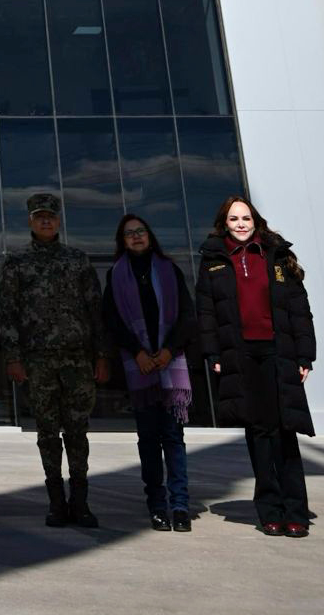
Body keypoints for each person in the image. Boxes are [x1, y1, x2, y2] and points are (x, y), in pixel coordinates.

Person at [197, 194, 316, 537]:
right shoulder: (214, 260)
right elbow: (206, 312)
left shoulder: (277, 255)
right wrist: (214, 354)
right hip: (241, 356)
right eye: (234, 219)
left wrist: (304, 356)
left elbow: (299, 310)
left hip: (279, 353)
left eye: (246, 218)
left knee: (284, 431)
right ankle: (270, 511)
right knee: (258, 434)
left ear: (255, 221)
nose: (240, 225)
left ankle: (295, 512)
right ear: (225, 224)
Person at [0, 192, 109, 528]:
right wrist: (13, 358)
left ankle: (81, 502)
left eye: (50, 216)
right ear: (30, 221)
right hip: (38, 362)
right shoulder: (17, 263)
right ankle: (56, 503)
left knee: (78, 432)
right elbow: (8, 314)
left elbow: (96, 311)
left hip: (77, 361)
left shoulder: (78, 260)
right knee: (47, 434)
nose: (45, 221)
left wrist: (101, 355)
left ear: (58, 221)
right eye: (39, 216)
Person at [103, 212, 196, 531]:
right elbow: (112, 321)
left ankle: (180, 504)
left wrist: (168, 350)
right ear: (122, 241)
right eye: (129, 233)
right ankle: (157, 505)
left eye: (141, 231)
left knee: (173, 437)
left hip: (171, 365)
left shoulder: (170, 270)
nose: (136, 236)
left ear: (150, 235)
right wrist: (139, 353)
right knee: (148, 439)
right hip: (139, 367)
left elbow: (187, 316)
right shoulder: (116, 276)